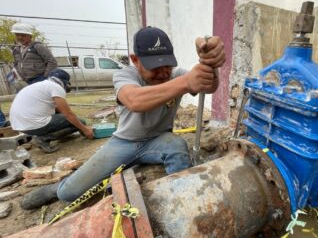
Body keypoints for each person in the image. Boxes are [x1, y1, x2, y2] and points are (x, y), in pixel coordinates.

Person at [20, 26, 225, 210]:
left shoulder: (177, 74)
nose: (163, 73)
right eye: (155, 67)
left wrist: (211, 67)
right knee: (69, 194)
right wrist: (186, 82)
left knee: (177, 147)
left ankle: (182, 204)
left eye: (167, 66)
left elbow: (209, 86)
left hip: (159, 139)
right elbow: (135, 101)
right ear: (135, 60)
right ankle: (57, 188)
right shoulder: (125, 75)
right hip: (124, 142)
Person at [9, 69, 94, 153]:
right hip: (33, 124)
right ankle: (43, 139)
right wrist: (85, 129)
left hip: (19, 126)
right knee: (80, 122)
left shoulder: (40, 85)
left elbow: (57, 109)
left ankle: (62, 137)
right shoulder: (56, 87)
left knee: (67, 118)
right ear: (64, 82)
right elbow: (68, 114)